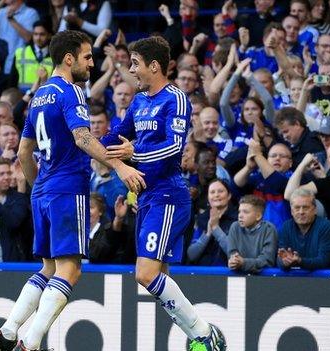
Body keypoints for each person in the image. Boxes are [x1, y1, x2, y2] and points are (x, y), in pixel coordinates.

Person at [0, 30, 144, 351]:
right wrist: (120, 166)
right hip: (67, 187)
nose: (91, 63)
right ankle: (29, 344)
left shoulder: (40, 96)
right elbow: (83, 138)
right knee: (70, 271)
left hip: (43, 190)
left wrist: (39, 188)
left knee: (48, 267)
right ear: (69, 59)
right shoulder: (71, 91)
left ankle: (8, 329)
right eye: (87, 57)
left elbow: (22, 152)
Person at [101, 36, 226, 351]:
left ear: (154, 66)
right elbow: (118, 134)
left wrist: (135, 153)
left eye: (135, 64)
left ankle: (203, 333)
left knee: (144, 275)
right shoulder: (140, 101)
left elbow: (175, 147)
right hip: (146, 198)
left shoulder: (175, 98)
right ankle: (199, 340)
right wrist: (88, 139)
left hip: (168, 195)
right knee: (160, 280)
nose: (131, 71)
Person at [277, 188, 330, 270]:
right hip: (298, 280)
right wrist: (285, 262)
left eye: (305, 207)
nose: (301, 212)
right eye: (297, 208)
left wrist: (300, 261)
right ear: (292, 211)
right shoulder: (286, 227)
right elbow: (279, 259)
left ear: (315, 210)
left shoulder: (327, 227)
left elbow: (323, 261)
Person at [187, 179, 237, 266]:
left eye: (220, 191)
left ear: (229, 196)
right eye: (212, 192)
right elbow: (191, 255)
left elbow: (235, 254)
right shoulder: (200, 219)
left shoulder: (238, 220)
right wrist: (208, 234)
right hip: (202, 274)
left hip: (228, 272)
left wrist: (216, 229)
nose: (216, 195)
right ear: (208, 197)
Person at [227, 195, 278, 274]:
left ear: (258, 216)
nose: (240, 215)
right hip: (239, 276)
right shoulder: (235, 227)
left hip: (264, 279)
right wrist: (234, 261)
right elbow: (232, 254)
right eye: (239, 211)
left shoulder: (269, 229)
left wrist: (243, 263)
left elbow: (267, 261)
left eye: (245, 212)